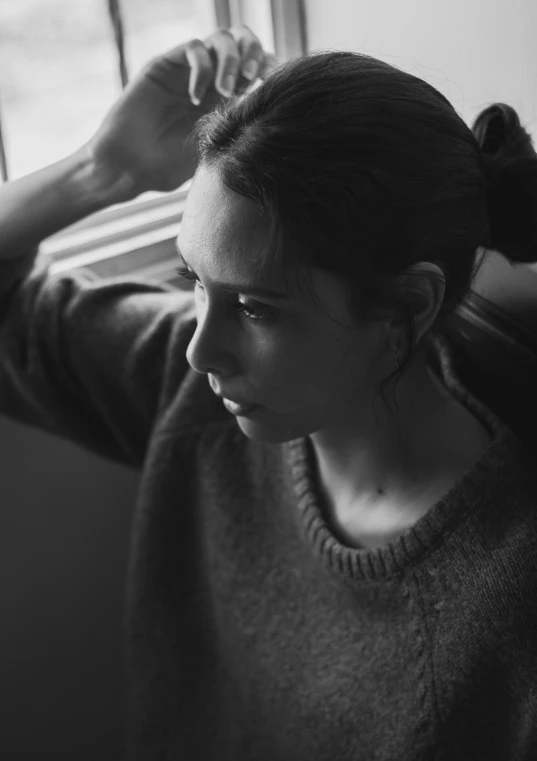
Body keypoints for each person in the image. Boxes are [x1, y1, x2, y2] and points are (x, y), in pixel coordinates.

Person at [0, 22, 536, 761]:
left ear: (408, 306)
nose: (201, 346)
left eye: (254, 308)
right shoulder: (190, 394)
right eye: (195, 282)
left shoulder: (508, 601)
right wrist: (101, 172)